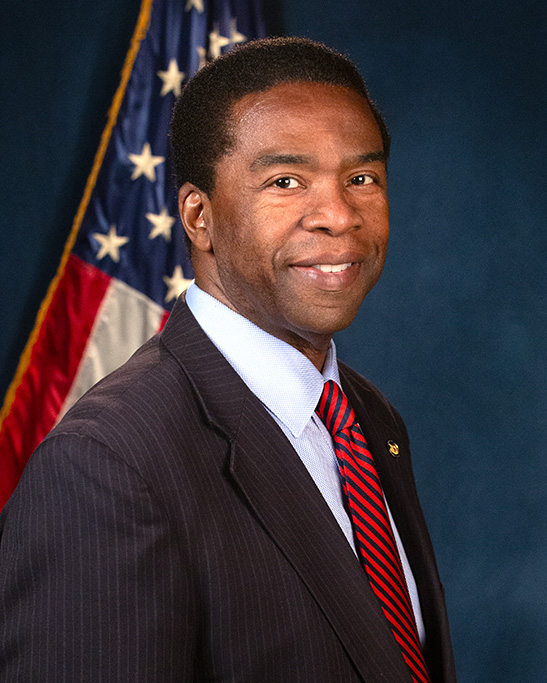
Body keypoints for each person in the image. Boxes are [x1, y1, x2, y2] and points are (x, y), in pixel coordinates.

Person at [0, 37, 456, 682]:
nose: (338, 216)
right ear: (198, 216)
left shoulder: (369, 420)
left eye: (361, 178)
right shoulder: (106, 465)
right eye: (285, 181)